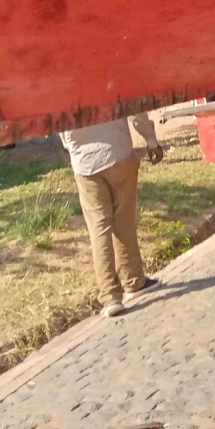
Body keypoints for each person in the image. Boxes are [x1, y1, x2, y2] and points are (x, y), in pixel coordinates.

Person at [60, 116, 164, 317]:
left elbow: (60, 127)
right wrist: (151, 139)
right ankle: (134, 281)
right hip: (117, 151)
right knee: (124, 219)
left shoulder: (57, 94)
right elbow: (135, 112)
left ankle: (110, 296)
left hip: (84, 163)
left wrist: (74, 149)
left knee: (99, 228)